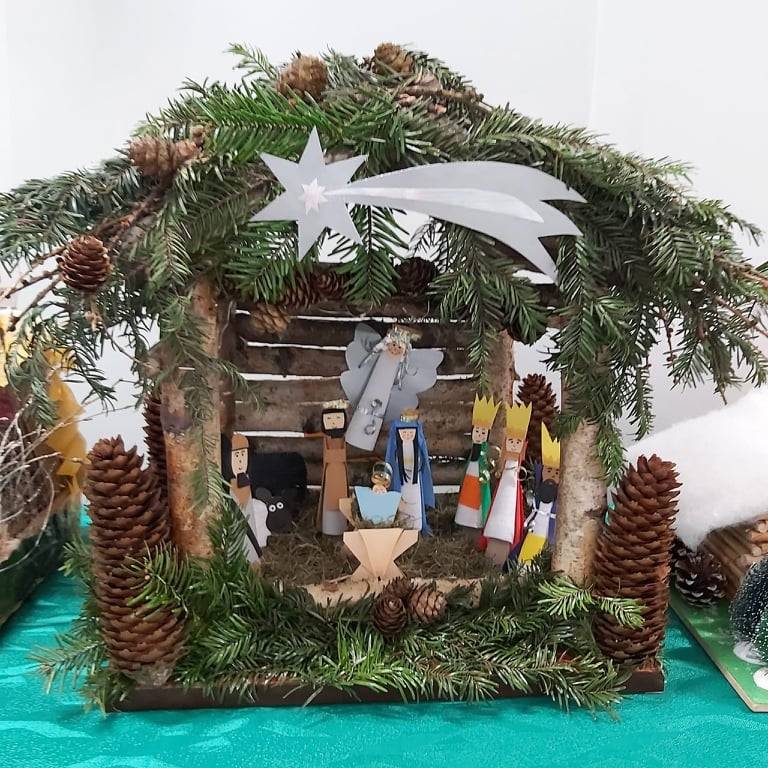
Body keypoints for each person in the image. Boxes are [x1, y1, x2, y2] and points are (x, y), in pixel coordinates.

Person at [482, 402, 532, 565]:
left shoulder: (517, 472)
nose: (514, 444)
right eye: (511, 441)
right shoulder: (504, 468)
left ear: (523, 445)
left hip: (509, 507)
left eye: (518, 442)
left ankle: (503, 554)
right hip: (500, 504)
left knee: (507, 520)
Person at [454, 395, 500, 533]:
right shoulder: (471, 455)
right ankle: (463, 523)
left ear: (487, 435)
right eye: (477, 431)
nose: (479, 434)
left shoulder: (485, 456)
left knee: (477, 500)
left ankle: (477, 524)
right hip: (469, 483)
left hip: (478, 486)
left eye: (483, 432)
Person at [385, 409, 434, 533]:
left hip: (415, 481)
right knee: (402, 503)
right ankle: (403, 526)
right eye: (404, 432)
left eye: (411, 433)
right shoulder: (397, 449)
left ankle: (417, 526)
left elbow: (423, 463)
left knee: (415, 501)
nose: (407, 435)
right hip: (401, 482)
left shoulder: (417, 448)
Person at [315, 400, 350, 535]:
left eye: (338, 418)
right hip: (330, 470)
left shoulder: (343, 439)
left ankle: (341, 526)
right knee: (329, 497)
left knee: (341, 496)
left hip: (340, 470)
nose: (334, 422)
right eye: (329, 419)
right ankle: (329, 528)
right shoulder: (326, 439)